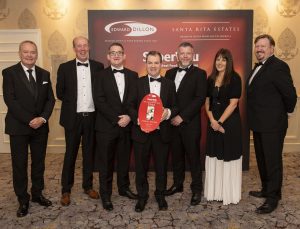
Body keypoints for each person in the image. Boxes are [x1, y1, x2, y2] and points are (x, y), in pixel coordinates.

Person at [2, 40, 55, 217]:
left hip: (40, 127)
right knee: (19, 164)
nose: (30, 55)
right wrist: (30, 120)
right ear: (20, 53)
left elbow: (50, 100)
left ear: (36, 54)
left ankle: (37, 194)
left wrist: (42, 118)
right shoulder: (9, 73)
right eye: (26, 52)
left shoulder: (45, 74)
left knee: (39, 163)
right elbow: (10, 100)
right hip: (19, 127)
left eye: (33, 52)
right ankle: (23, 199)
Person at [247, 34, 297, 214]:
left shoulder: (279, 66)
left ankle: (273, 198)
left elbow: (290, 95)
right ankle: (266, 189)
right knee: (262, 159)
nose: (259, 49)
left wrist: (286, 113)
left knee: (272, 161)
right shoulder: (259, 67)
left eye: (263, 46)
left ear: (272, 49)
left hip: (273, 125)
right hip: (259, 124)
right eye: (257, 46)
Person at [127, 51, 178, 212]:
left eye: (156, 63)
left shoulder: (170, 84)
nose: (153, 66)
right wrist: (139, 119)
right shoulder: (137, 83)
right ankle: (142, 197)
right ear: (146, 64)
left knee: (161, 167)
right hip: (141, 132)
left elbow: (176, 106)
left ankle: (160, 195)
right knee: (141, 167)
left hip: (161, 132)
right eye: (150, 63)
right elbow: (129, 106)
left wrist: (168, 113)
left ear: (161, 64)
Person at [56, 36, 104, 206]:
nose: (82, 49)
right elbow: (59, 93)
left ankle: (88, 186)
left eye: (85, 45)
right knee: (70, 154)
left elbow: (101, 91)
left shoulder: (99, 67)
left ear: (89, 47)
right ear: (74, 48)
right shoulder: (64, 67)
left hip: (92, 117)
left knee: (89, 154)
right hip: (72, 118)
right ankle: (66, 190)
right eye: (79, 46)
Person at [94, 43, 138, 211]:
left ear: (124, 55)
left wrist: (129, 117)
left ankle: (123, 188)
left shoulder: (133, 75)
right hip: (106, 126)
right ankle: (105, 195)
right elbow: (99, 100)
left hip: (127, 126)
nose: (116, 55)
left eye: (119, 53)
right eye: (113, 53)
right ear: (108, 56)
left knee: (124, 160)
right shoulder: (100, 75)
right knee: (106, 163)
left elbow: (134, 100)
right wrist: (116, 118)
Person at [165, 42, 207, 206]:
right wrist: (169, 116)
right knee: (176, 156)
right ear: (177, 54)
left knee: (193, 158)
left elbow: (199, 99)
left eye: (188, 53)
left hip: (189, 124)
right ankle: (178, 184)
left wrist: (181, 117)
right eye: (182, 53)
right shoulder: (169, 73)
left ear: (193, 55)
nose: (184, 56)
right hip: (171, 123)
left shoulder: (200, 74)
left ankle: (197, 189)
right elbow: (166, 97)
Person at [204, 48, 242, 205]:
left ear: (229, 61)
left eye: (223, 59)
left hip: (229, 124)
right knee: (215, 155)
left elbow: (233, 104)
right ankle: (215, 193)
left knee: (228, 156)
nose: (219, 62)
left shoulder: (235, 78)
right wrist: (212, 120)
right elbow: (207, 102)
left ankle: (228, 194)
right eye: (217, 59)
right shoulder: (210, 78)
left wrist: (220, 122)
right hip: (213, 123)